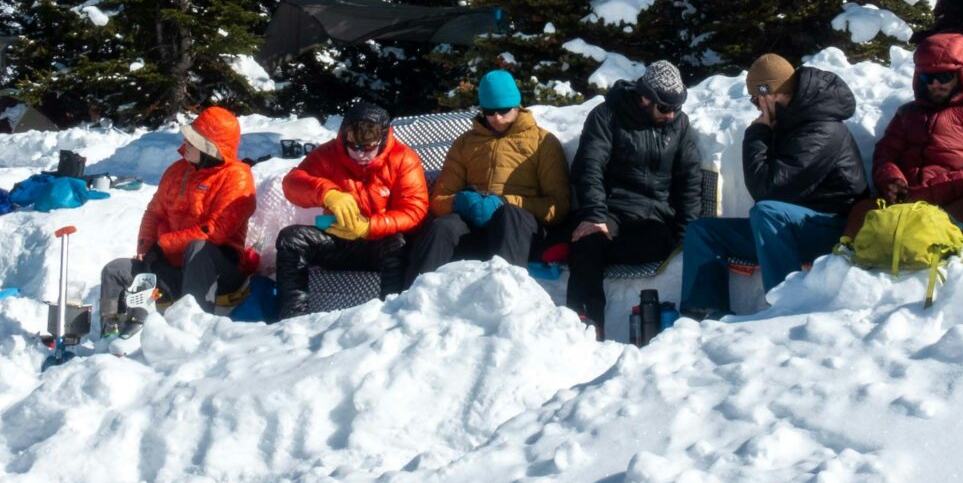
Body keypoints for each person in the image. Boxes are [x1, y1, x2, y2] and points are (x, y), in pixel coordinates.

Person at [680, 54, 868, 317]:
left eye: (756, 99)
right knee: (703, 232)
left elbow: (766, 190)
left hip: (832, 226)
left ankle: (783, 307)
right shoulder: (790, 122)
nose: (756, 107)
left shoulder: (822, 129)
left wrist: (757, 133)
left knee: (767, 211)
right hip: (789, 226)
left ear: (771, 94)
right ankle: (702, 315)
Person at [565, 60, 703, 333]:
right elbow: (589, 167)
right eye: (665, 108)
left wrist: (689, 232)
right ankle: (584, 325)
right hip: (612, 209)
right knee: (588, 242)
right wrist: (594, 215)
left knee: (656, 243)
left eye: (677, 107)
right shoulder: (607, 116)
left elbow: (688, 179)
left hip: (654, 214)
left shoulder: (679, 125)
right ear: (644, 98)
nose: (672, 115)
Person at [408, 70, 572, 283]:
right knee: (443, 227)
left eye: (503, 110)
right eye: (489, 111)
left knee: (508, 216)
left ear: (517, 105)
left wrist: (505, 202)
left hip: (521, 228)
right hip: (476, 225)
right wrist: (461, 202)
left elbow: (558, 206)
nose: (497, 117)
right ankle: (414, 297)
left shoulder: (542, 143)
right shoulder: (465, 143)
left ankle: (506, 291)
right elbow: (440, 199)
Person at [271, 103, 427, 320]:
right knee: (291, 238)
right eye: (354, 147)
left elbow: (414, 210)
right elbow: (291, 184)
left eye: (369, 147)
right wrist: (326, 193)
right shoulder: (328, 154)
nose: (361, 154)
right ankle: (293, 315)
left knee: (398, 243)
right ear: (344, 139)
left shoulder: (403, 159)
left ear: (382, 141)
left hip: (381, 244)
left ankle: (389, 317)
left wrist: (369, 227)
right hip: (339, 241)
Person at [99, 105, 257, 311]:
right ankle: (111, 334)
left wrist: (162, 245)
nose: (185, 143)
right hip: (171, 264)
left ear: (210, 147)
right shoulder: (176, 171)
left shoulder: (237, 176)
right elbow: (154, 213)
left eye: (193, 140)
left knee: (197, 247)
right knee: (114, 271)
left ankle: (192, 326)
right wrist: (146, 249)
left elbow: (214, 232)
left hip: (216, 268)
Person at [866, 32, 963, 241]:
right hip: (905, 201)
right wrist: (892, 181)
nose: (935, 84)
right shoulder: (907, 113)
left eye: (944, 76)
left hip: (958, 203)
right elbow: (885, 154)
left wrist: (930, 192)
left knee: (926, 234)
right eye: (927, 77)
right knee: (862, 212)